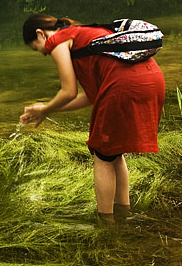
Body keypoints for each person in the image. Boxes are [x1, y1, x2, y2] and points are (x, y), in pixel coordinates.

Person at [19, 14, 165, 225]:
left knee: (102, 155)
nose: (43, 52)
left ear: (40, 34)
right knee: (113, 153)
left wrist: (45, 109)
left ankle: (106, 223)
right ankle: (123, 214)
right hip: (152, 79)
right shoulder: (85, 33)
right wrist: (49, 111)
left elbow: (68, 91)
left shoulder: (57, 40)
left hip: (123, 85)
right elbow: (90, 96)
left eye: (36, 48)